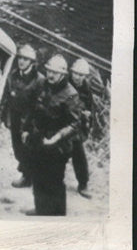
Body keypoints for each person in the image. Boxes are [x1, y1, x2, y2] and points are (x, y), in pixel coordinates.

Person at [23, 53, 83, 216]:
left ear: (63, 74)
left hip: (58, 146)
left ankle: (57, 215)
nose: (50, 74)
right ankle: (41, 208)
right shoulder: (43, 85)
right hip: (39, 139)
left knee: (54, 181)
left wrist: (56, 138)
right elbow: (33, 108)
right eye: (48, 71)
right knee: (37, 175)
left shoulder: (71, 94)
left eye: (54, 73)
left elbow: (75, 124)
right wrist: (26, 129)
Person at [0, 44, 43, 188]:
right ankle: (31, 174)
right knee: (17, 148)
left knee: (28, 148)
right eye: (20, 58)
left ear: (32, 62)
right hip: (14, 118)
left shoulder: (39, 80)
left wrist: (31, 127)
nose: (21, 61)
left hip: (30, 120)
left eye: (25, 59)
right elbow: (5, 97)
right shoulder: (13, 75)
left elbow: (40, 106)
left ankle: (27, 177)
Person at [69, 58, 102, 198]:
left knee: (79, 154)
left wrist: (85, 115)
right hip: (59, 122)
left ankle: (83, 184)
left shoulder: (86, 89)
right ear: (71, 72)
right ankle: (29, 175)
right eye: (76, 74)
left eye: (81, 75)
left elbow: (89, 110)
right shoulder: (64, 81)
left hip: (75, 126)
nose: (78, 77)